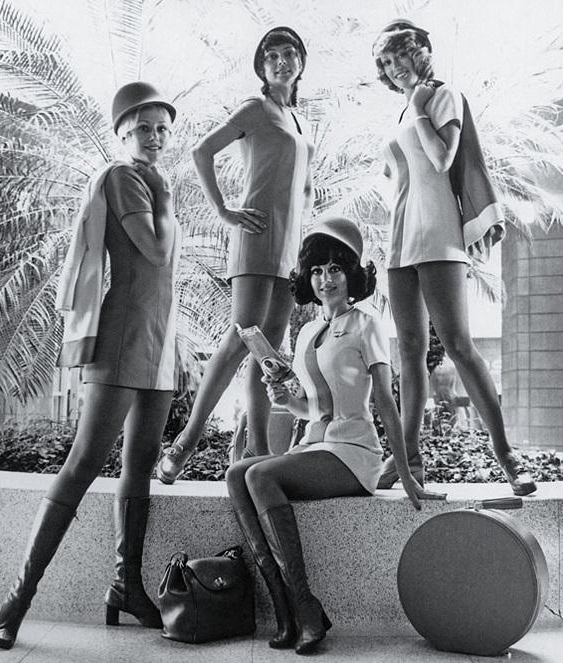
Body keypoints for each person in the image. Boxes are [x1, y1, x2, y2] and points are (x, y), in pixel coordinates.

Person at [0, 81, 181, 650]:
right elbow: (155, 250)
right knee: (83, 462)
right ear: (122, 133)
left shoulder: (153, 180)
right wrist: (164, 198)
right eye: (143, 128)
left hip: (160, 340)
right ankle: (17, 601)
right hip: (122, 338)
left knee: (139, 466)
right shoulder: (125, 178)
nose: (154, 137)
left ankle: (127, 586)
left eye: (162, 129)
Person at [226, 216, 445, 655]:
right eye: (317, 270)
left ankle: (304, 605)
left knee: (259, 476)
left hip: (353, 452)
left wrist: (404, 472)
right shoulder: (308, 331)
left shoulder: (367, 323)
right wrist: (286, 399)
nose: (326, 280)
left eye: (336, 269)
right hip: (316, 445)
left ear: (352, 275)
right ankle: (285, 611)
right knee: (237, 475)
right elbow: (313, 409)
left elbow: (384, 399)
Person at [372, 20, 536, 496]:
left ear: (420, 51)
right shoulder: (406, 109)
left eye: (401, 54)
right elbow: (400, 173)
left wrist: (418, 108)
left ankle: (507, 457)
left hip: (438, 234)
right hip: (400, 238)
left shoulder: (441, 96)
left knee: (459, 345)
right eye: (386, 61)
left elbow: (442, 159)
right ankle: (409, 461)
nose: (394, 67)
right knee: (409, 351)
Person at [157, 26, 314, 482]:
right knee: (241, 338)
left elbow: (304, 190)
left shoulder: (298, 122)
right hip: (256, 234)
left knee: (269, 352)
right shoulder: (255, 109)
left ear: (301, 61)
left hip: (290, 248)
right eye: (272, 56)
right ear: (262, 67)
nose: (281, 62)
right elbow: (201, 151)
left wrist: (305, 239)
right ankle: (185, 442)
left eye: (289, 53)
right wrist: (224, 211)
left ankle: (256, 449)